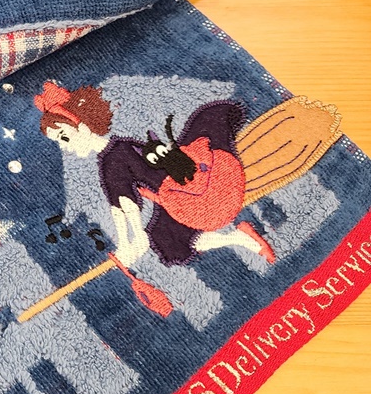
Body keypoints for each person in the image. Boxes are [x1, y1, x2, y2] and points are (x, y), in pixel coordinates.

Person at [33, 80, 275, 270]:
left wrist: (132, 242)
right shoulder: (115, 152)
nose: (65, 146)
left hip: (191, 193)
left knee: (168, 241)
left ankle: (240, 238)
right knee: (168, 243)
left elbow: (126, 208)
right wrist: (129, 243)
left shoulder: (113, 158)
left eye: (64, 137)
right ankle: (242, 239)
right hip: (186, 191)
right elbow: (121, 206)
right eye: (59, 141)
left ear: (83, 126)